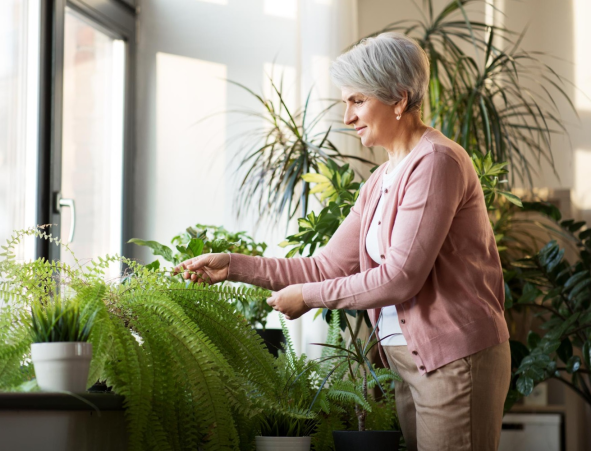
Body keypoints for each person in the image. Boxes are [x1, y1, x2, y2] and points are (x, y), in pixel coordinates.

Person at [174, 32, 510, 451]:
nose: (347, 116)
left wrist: (310, 297)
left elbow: (400, 277)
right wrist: (233, 266)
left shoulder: (436, 163)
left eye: (357, 100)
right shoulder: (382, 178)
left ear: (399, 100)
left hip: (454, 360)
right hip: (413, 361)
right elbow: (325, 266)